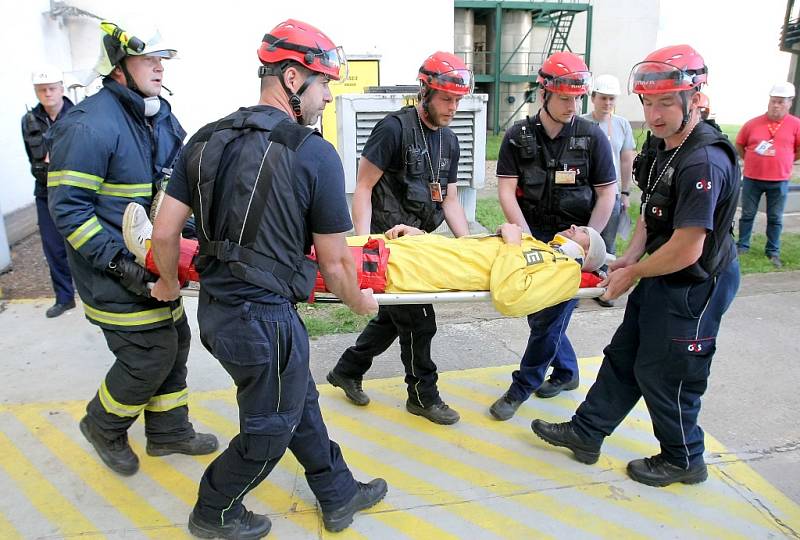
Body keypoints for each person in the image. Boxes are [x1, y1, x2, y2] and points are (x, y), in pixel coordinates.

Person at [148, 19, 386, 538]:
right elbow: (338, 262)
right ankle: (215, 510)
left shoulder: (204, 140)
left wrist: (168, 284)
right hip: (264, 322)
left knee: (295, 399)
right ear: (294, 78)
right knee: (269, 428)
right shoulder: (313, 153)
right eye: (325, 84)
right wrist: (359, 303)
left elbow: (164, 232)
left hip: (218, 312)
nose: (327, 97)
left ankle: (337, 490)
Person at [531, 44, 741, 488]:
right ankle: (587, 433)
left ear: (696, 98)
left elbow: (688, 247)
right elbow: (652, 208)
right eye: (647, 102)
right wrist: (629, 256)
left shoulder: (704, 159)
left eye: (666, 102)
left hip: (696, 281)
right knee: (625, 354)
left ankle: (684, 458)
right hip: (664, 269)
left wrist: (634, 272)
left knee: (668, 371)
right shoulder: (665, 143)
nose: (655, 113)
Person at [47, 20, 217, 477]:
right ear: (118, 66)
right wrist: (120, 264)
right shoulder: (87, 126)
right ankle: (102, 424)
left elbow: (175, 185)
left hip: (154, 261)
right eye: (149, 59)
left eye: (163, 60)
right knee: (148, 354)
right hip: (111, 270)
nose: (160, 67)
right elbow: (68, 211)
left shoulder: (159, 114)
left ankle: (168, 432)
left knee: (175, 340)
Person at [123, 202, 607, 317]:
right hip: (389, 254)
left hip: (381, 271)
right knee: (274, 240)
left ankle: (155, 251)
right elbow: (462, 258)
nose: (573, 226)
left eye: (580, 232)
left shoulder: (559, 269)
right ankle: (176, 238)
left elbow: (509, 296)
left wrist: (507, 243)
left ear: (583, 251)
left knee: (269, 266)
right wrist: (417, 236)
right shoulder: (533, 249)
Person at [326, 51, 473, 425]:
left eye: (458, 100)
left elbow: (451, 199)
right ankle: (423, 395)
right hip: (389, 246)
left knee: (395, 319)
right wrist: (364, 246)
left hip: (421, 245)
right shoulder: (393, 129)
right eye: (446, 99)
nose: (453, 107)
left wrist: (468, 245)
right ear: (424, 91)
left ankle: (347, 370)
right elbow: (362, 188)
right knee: (420, 321)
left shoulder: (450, 141)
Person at [490, 51, 617, 419]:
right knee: (539, 312)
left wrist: (588, 239)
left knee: (548, 317)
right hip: (533, 234)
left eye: (577, 97)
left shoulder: (591, 136)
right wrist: (527, 240)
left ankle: (521, 387)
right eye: (564, 97)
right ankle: (566, 372)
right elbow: (505, 190)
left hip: (574, 239)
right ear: (544, 94)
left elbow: (607, 192)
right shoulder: (518, 136)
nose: (572, 105)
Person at [21, 65, 76, 318]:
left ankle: (93, 294)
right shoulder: (30, 121)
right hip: (45, 192)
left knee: (83, 244)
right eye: (42, 90)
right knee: (53, 247)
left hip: (76, 191)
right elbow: (35, 160)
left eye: (52, 88)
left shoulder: (78, 115)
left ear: (61, 89)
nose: (47, 94)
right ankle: (64, 298)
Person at [735, 81, 800, 268]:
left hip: (779, 180)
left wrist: (786, 159)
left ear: (789, 102)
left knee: (775, 218)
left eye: (780, 102)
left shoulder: (796, 125)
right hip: (752, 178)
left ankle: (773, 251)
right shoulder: (753, 123)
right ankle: (743, 246)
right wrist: (751, 159)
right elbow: (740, 144)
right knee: (747, 214)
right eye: (773, 101)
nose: (776, 105)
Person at [581, 74, 636, 260]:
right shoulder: (580, 123)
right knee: (583, 239)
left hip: (611, 193)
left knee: (607, 243)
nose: (607, 102)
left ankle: (603, 279)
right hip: (583, 191)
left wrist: (626, 193)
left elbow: (626, 160)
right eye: (603, 97)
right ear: (593, 97)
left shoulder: (622, 125)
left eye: (611, 98)